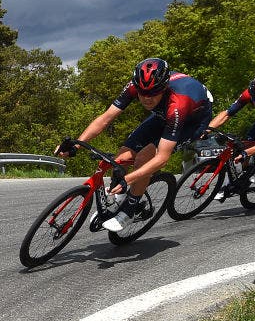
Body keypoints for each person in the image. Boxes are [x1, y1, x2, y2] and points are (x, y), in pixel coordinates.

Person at [57, 57, 212, 231]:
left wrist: (128, 180)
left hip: (193, 120)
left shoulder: (178, 104)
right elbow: (105, 118)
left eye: (153, 93)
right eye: (142, 93)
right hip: (163, 114)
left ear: (164, 88)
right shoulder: (134, 85)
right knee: (121, 157)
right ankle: (121, 199)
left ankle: (130, 210)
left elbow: (162, 158)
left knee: (144, 159)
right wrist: (76, 144)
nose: (146, 99)